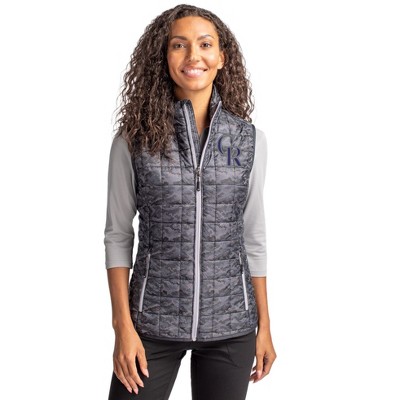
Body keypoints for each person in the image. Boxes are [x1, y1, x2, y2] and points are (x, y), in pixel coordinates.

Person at [103, 4, 276, 400]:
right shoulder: (134, 140)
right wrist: (122, 327)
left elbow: (253, 236)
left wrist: (264, 325)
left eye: (205, 45)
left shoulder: (248, 140)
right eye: (179, 45)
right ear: (163, 57)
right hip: (151, 325)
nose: (193, 56)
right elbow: (117, 236)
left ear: (221, 58)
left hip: (231, 326)